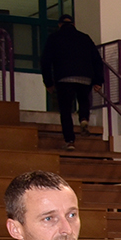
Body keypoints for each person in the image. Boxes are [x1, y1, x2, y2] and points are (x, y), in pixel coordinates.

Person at [40, 14, 103, 151]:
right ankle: (84, 119)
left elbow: (46, 61)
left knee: (66, 110)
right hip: (85, 78)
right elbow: (97, 60)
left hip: (64, 78)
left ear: (60, 25)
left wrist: (48, 82)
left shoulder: (54, 38)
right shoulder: (85, 38)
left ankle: (70, 141)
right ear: (73, 24)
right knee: (84, 100)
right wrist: (98, 81)